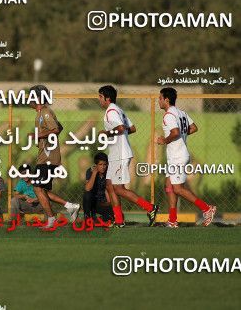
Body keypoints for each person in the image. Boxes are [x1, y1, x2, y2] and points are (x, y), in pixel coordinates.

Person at [98, 85, 159, 227]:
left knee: (118, 188)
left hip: (120, 154)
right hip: (116, 153)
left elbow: (120, 128)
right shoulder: (118, 110)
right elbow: (131, 128)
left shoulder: (111, 111)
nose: (99, 99)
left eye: (100, 97)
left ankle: (150, 208)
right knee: (109, 186)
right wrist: (120, 134)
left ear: (107, 98)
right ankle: (119, 220)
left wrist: (105, 133)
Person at [156, 87, 216, 228]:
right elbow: (194, 127)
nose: (158, 101)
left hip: (177, 156)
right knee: (169, 185)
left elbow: (175, 132)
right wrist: (181, 134)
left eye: (160, 98)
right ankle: (172, 220)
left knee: (177, 188)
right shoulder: (181, 113)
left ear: (167, 99)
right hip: (178, 155)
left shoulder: (169, 115)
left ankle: (207, 208)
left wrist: (164, 140)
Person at [29, 84, 80, 229]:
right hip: (45, 156)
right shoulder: (41, 113)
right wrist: (41, 140)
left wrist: (38, 135)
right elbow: (59, 127)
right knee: (42, 189)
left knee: (37, 188)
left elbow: (56, 129)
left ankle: (52, 219)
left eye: (31, 95)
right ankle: (71, 206)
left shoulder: (45, 112)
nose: (28, 99)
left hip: (48, 158)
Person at [83, 152, 113, 222]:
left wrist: (109, 204)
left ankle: (100, 219)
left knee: (114, 215)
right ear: (96, 165)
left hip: (102, 203)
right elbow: (87, 188)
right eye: (100, 164)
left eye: (105, 164)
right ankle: (87, 218)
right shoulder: (90, 171)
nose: (103, 167)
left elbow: (108, 189)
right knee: (87, 194)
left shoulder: (108, 172)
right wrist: (94, 173)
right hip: (91, 202)